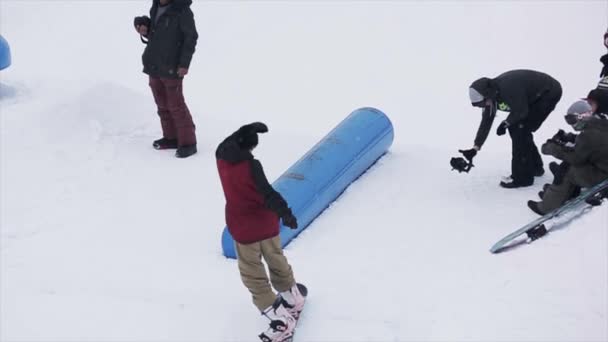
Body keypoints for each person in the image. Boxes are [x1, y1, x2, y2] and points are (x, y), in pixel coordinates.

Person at [216, 122, 306, 342]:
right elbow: (267, 192)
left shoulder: (222, 159)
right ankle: (290, 301)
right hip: (266, 223)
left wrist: (245, 130)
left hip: (244, 228)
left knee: (252, 273)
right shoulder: (251, 166)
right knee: (275, 258)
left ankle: (276, 315)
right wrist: (286, 213)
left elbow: (225, 144)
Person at [459, 70, 562, 188]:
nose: (484, 106)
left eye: (483, 103)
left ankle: (523, 178)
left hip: (548, 92)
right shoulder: (491, 97)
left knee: (520, 129)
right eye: (480, 106)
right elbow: (486, 122)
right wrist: (475, 148)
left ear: (487, 94)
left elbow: (521, 111)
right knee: (519, 128)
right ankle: (535, 168)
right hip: (531, 98)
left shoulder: (508, 89)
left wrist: (506, 123)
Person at [134, 0, 198, 158]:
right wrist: (144, 27)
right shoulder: (156, 7)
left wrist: (184, 64)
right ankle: (171, 138)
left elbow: (191, 38)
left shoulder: (182, 11)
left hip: (172, 67)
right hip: (155, 65)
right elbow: (158, 33)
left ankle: (188, 143)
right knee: (162, 104)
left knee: (176, 105)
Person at [528, 106, 608, 215]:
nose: (571, 124)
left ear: (583, 116)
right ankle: (565, 193)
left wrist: (553, 148)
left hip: (604, 180)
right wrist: (571, 138)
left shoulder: (589, 134)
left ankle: (546, 207)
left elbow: (576, 158)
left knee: (567, 169)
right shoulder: (602, 124)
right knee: (570, 165)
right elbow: (594, 145)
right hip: (603, 169)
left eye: (572, 120)